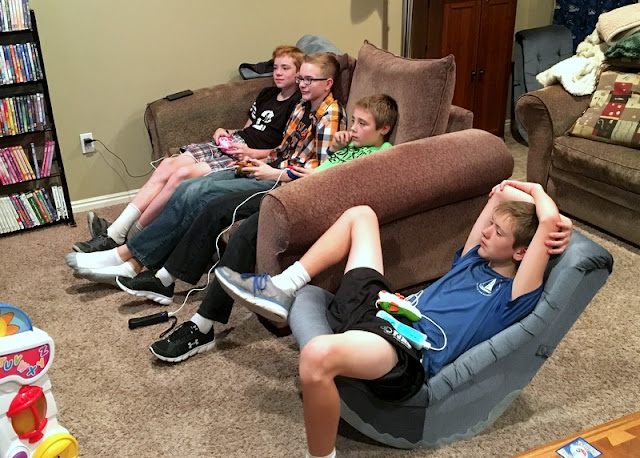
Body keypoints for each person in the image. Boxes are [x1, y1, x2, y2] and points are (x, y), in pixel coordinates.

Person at [215, 180, 572, 458]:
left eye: (498, 232)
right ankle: (282, 287)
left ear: (522, 252)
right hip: (385, 310)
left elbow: (548, 222)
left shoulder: (512, 297)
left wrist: (549, 207)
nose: (486, 232)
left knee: (316, 356)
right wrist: (525, 197)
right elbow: (501, 193)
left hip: (405, 350)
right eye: (490, 225)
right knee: (361, 215)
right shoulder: (474, 258)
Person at [114, 94, 398, 362]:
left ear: (384, 129)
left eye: (363, 124)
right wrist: (336, 146)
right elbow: (328, 163)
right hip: (294, 186)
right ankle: (165, 278)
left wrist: (304, 176)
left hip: (312, 200)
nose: (354, 128)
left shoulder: (383, 154)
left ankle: (202, 326)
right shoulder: (351, 145)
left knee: (250, 230)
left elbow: (351, 184)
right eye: (353, 121)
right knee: (216, 207)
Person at [66, 52, 347, 282]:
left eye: (309, 79)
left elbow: (319, 174)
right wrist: (260, 160)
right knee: (187, 187)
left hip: (280, 180)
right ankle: (129, 260)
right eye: (301, 78)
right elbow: (282, 149)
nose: (303, 84)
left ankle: (125, 256)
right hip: (264, 166)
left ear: (328, 83)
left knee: (199, 193)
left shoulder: (330, 116)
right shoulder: (302, 107)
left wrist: (273, 172)